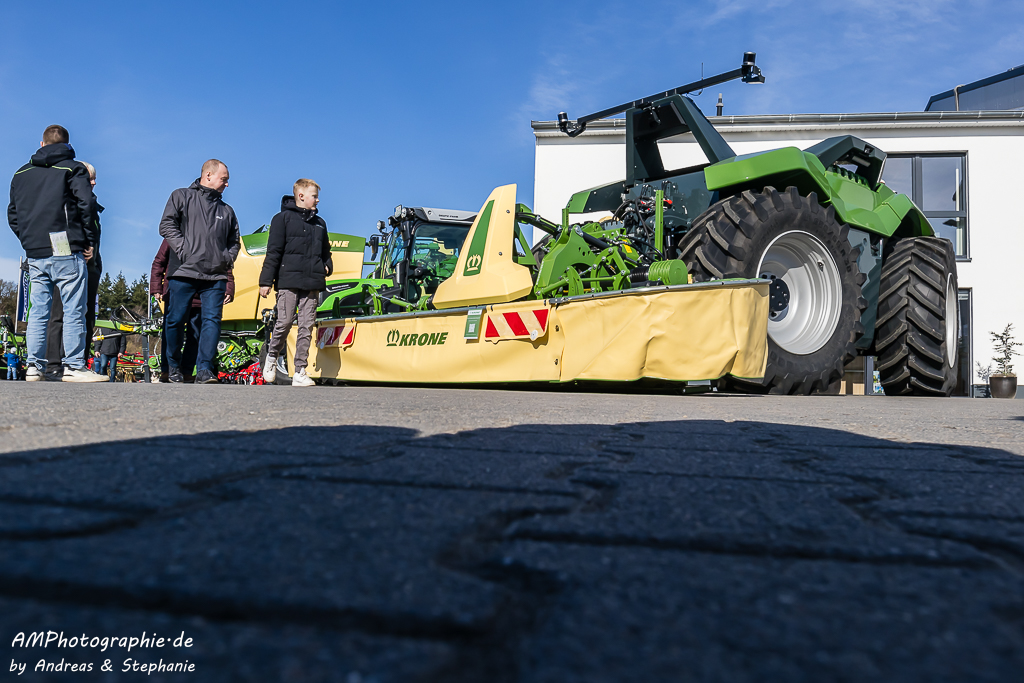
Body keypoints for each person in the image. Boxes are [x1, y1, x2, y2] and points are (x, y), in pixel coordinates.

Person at [7, 124, 108, 383]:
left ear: (42, 144)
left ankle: (33, 366)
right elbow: (86, 203)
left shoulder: (21, 173)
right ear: (67, 144)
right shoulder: (72, 169)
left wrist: (28, 240)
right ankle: (73, 365)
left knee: (38, 310)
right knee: (74, 308)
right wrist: (88, 240)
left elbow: (13, 214)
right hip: (66, 246)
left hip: (35, 250)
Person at [158, 159, 240, 384]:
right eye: (224, 179)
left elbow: (234, 241)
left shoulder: (227, 211)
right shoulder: (181, 196)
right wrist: (183, 250)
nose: (227, 184)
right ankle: (172, 367)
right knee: (175, 321)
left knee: (211, 321)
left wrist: (226, 259)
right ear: (208, 175)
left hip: (215, 276)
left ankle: (204, 370)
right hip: (183, 272)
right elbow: (166, 224)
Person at [259, 179, 332, 387]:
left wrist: (328, 265)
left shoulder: (320, 223)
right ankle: (272, 357)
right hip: (288, 280)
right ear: (301, 196)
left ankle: (300, 371)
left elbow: (326, 251)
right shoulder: (281, 219)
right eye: (314, 196)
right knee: (284, 322)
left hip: (312, 281)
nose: (317, 200)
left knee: (306, 326)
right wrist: (265, 281)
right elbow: (273, 252)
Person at [44, 160, 103, 381]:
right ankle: (53, 364)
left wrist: (94, 257)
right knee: (59, 314)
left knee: (86, 315)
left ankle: (79, 364)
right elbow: (56, 231)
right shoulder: (63, 203)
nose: (94, 182)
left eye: (94, 178)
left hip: (91, 266)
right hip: (67, 262)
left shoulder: (93, 204)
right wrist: (66, 253)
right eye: (90, 178)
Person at [151, 239, 235, 382]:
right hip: (176, 291)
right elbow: (159, 261)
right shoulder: (174, 235)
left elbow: (223, 263)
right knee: (172, 329)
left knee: (196, 334)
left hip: (202, 293)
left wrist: (229, 286)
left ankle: (187, 371)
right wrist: (156, 287)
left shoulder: (211, 237)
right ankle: (168, 369)